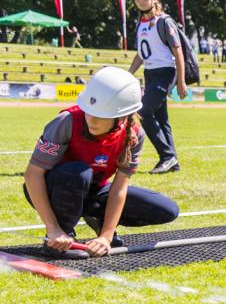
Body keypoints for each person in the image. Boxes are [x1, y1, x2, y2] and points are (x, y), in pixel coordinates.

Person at [23, 66, 179, 258]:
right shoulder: (66, 121)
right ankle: (60, 239)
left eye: (101, 116)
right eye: (89, 111)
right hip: (54, 188)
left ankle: (95, 218)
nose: (92, 120)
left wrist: (106, 236)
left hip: (93, 191)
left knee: (166, 210)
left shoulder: (134, 135)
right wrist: (53, 228)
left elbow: (119, 188)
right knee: (79, 172)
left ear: (121, 117)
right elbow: (33, 175)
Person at [126, 0, 186, 174]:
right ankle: (173, 162)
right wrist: (129, 74)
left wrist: (181, 81)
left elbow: (178, 51)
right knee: (161, 119)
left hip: (166, 73)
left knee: (143, 112)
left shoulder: (164, 21)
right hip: (150, 73)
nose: (141, 1)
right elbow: (141, 54)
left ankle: (167, 156)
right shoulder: (141, 23)